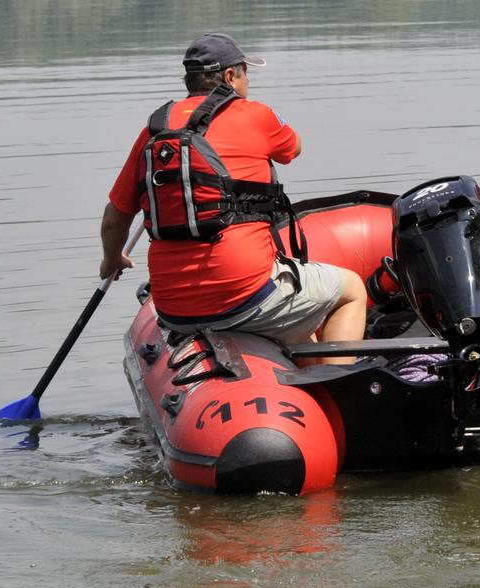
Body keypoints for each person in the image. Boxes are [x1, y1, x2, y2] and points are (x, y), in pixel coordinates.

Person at [100, 33, 367, 362]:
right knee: (352, 289)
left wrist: (111, 260)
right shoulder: (256, 114)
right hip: (244, 296)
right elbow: (293, 148)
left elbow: (115, 218)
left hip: (173, 309)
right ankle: (340, 389)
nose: (248, 80)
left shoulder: (156, 130)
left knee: (303, 319)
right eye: (245, 72)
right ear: (230, 77)